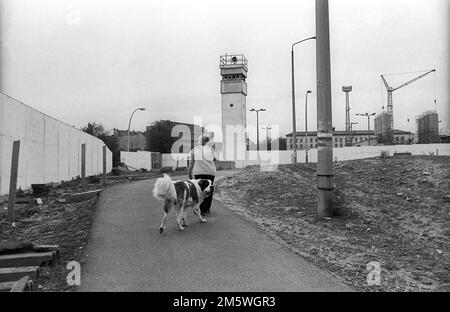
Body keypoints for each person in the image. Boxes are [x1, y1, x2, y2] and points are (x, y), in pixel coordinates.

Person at [188, 134, 216, 215]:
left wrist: (189, 172)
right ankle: (207, 209)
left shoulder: (195, 150)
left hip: (198, 173)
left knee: (199, 191)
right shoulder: (211, 149)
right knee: (209, 190)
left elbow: (191, 163)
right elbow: (214, 159)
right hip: (210, 172)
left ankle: (202, 210)